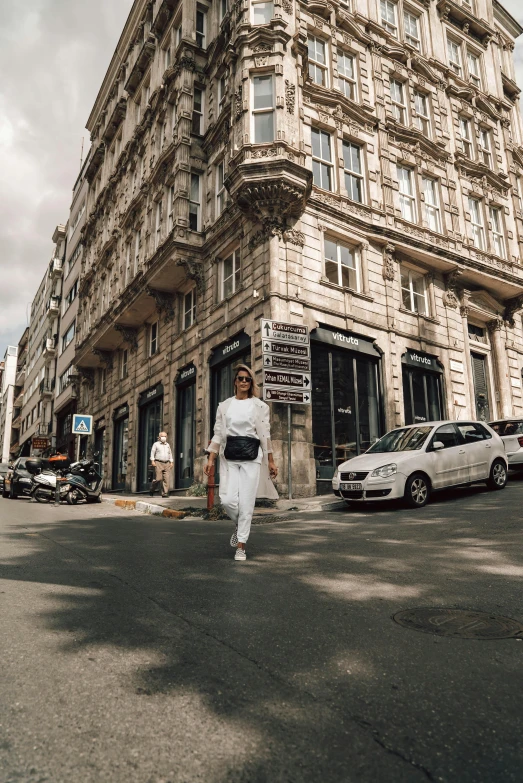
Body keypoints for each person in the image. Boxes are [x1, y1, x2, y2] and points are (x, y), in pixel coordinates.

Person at [204, 364, 278, 561]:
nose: (244, 381)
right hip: (230, 457)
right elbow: (218, 434)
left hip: (252, 458)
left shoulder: (260, 407)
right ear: (235, 382)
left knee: (246, 503)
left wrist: (271, 460)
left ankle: (241, 546)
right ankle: (240, 525)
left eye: (247, 379)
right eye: (240, 378)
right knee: (227, 499)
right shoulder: (225, 406)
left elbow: (265, 435)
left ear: (251, 382)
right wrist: (211, 458)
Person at [150, 431, 173, 498]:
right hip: (158, 462)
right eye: (162, 436)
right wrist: (152, 461)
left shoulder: (168, 445)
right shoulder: (156, 444)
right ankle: (152, 489)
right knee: (158, 479)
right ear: (159, 437)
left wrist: (171, 462)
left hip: (166, 463)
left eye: (165, 436)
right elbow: (152, 452)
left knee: (166, 479)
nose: (164, 438)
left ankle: (165, 493)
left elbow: (170, 454)